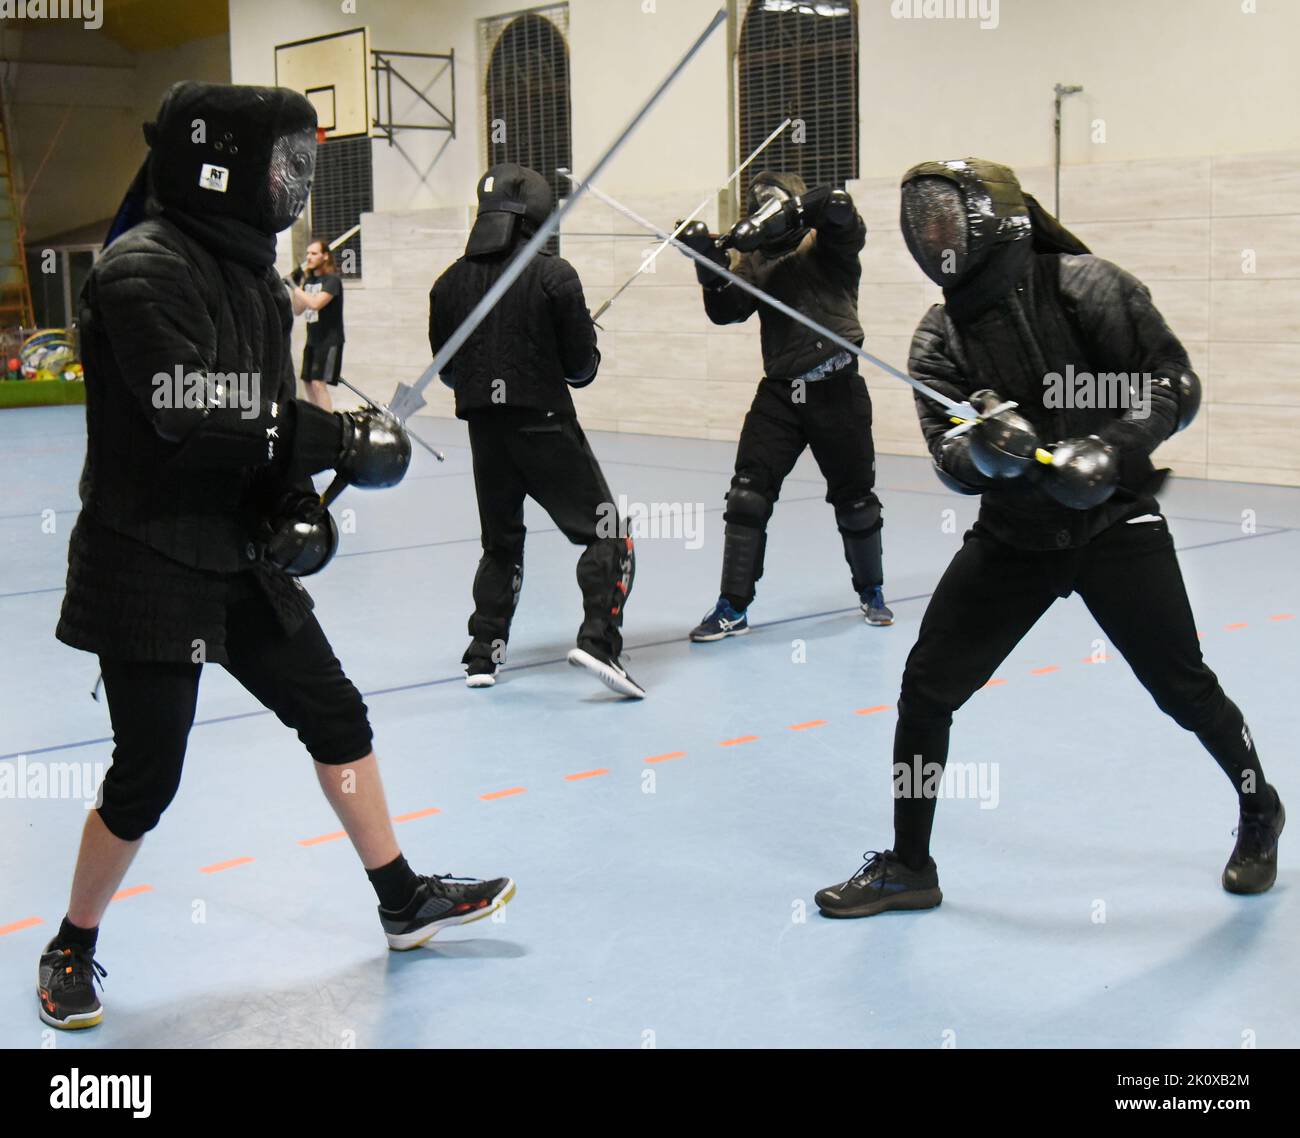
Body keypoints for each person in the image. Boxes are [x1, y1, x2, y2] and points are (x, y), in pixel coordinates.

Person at [39, 82, 513, 1031]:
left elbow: (258, 411)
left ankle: (400, 898)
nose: (293, 183)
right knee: (149, 773)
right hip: (147, 556)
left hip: (236, 544)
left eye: (303, 162)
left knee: (334, 713)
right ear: (218, 165)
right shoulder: (140, 269)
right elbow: (191, 410)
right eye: (282, 162)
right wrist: (327, 443)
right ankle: (71, 945)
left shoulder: (256, 277)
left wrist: (298, 503)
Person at [815, 157, 1283, 918]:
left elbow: (1175, 381)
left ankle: (1261, 809)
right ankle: (910, 865)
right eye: (922, 225)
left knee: (1183, 688)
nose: (933, 237)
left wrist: (1115, 448)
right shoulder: (940, 337)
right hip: (1015, 538)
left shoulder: (1087, 286)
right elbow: (948, 456)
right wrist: (987, 457)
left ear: (994, 218)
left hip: (1113, 524)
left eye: (944, 219)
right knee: (926, 689)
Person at [429, 162, 642, 698]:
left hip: (484, 433)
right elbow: (581, 371)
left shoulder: (447, 284)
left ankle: (483, 654)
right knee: (608, 533)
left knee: (501, 545)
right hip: (544, 425)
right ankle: (599, 644)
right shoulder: (555, 275)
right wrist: (583, 340)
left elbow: (450, 371)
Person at [676, 171, 893, 642]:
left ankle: (871, 590)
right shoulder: (755, 260)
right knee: (747, 495)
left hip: (837, 387)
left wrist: (791, 215)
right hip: (781, 392)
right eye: (757, 207)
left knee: (855, 501)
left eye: (772, 206)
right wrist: (708, 267)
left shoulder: (826, 242)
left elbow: (839, 207)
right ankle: (732, 607)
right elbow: (727, 310)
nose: (762, 213)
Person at [290, 237, 344, 411]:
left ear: (325, 256)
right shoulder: (309, 281)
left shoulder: (332, 281)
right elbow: (298, 310)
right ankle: (316, 420)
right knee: (307, 382)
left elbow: (315, 304)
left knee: (318, 383)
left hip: (330, 341)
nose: (309, 257)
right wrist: (298, 285)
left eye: (314, 253)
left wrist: (294, 287)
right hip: (312, 339)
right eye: (308, 254)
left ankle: (327, 426)